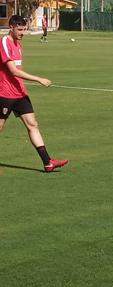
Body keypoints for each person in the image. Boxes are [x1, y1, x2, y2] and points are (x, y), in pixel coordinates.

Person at [0, 15, 68, 172]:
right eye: (19, 29)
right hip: (4, 94)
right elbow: (13, 71)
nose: (22, 32)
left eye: (24, 29)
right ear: (11, 27)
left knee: (33, 125)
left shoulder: (19, 45)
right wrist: (38, 79)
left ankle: (48, 162)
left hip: (20, 93)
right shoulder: (4, 43)